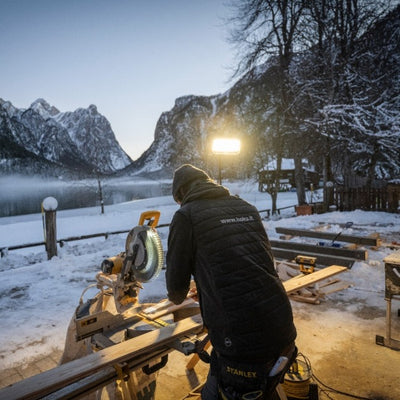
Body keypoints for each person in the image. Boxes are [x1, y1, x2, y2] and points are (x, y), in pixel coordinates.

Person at [166, 164, 297, 400]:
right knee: (265, 390)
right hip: (282, 326)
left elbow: (176, 291)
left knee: (220, 393)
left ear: (181, 194)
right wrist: (209, 288)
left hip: (241, 342)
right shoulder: (246, 207)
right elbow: (261, 264)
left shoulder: (186, 216)